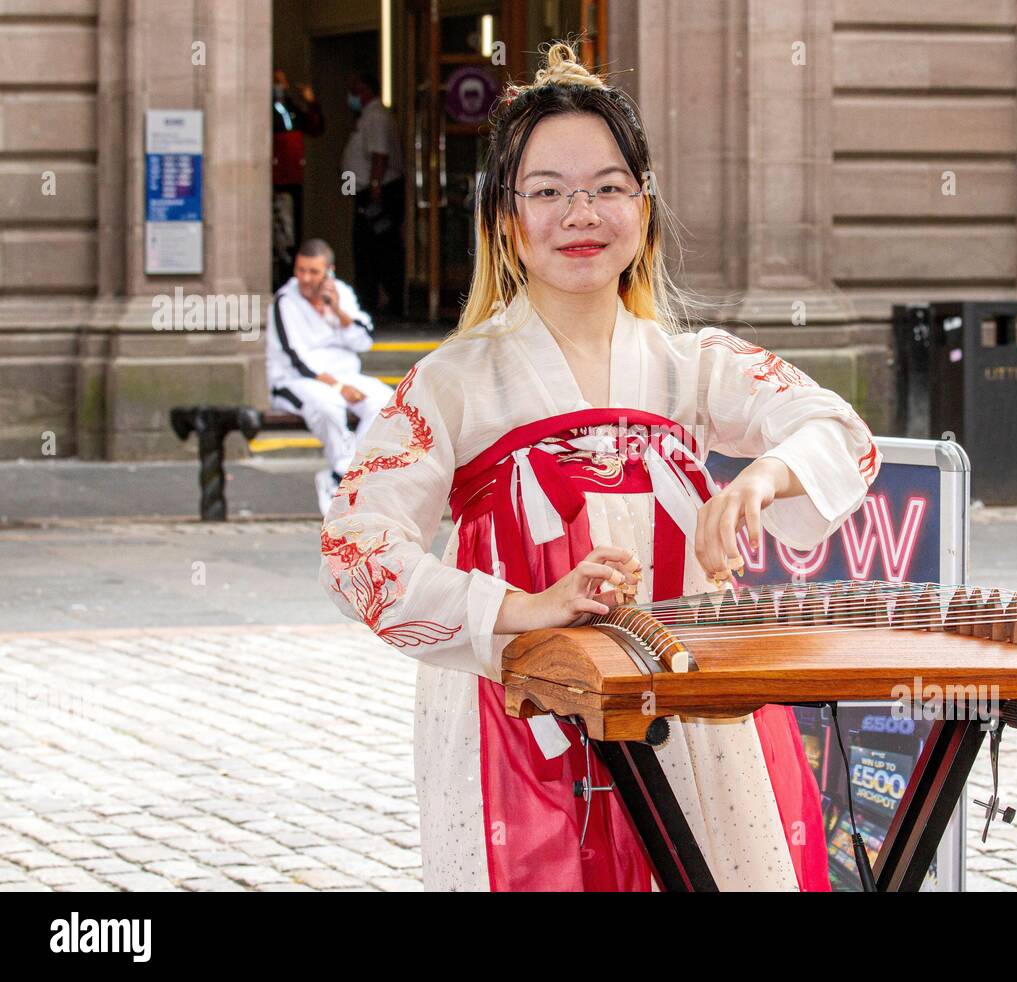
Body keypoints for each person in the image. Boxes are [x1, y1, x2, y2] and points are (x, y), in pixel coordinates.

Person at [319, 43, 883, 891]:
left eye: (608, 187)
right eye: (547, 192)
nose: (580, 213)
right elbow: (356, 546)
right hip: (528, 711)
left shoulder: (689, 364)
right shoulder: (454, 382)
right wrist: (521, 606)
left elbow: (836, 430)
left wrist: (763, 479)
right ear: (506, 219)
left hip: (692, 706)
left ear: (644, 208)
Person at [267, 238, 395, 516]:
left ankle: (342, 476)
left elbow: (364, 341)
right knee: (328, 405)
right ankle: (344, 481)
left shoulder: (342, 293)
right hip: (297, 381)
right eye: (301, 270)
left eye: (313, 272)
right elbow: (296, 359)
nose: (305, 278)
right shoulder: (285, 301)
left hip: (346, 375)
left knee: (386, 402)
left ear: (329, 271)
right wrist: (338, 387)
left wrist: (338, 310)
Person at [341, 71, 405, 319]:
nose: (351, 96)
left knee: (378, 249)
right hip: (371, 191)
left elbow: (380, 154)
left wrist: (376, 187)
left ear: (365, 90)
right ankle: (371, 300)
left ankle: (384, 302)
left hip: (379, 192)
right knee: (368, 249)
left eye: (354, 89)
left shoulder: (376, 117)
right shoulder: (367, 117)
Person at [272, 69, 325, 287]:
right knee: (279, 238)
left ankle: (289, 282)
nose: (282, 85)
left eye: (283, 81)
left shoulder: (290, 108)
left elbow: (315, 127)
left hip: (292, 182)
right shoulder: (265, 108)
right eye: (277, 81)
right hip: (275, 184)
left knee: (290, 236)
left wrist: (311, 103)